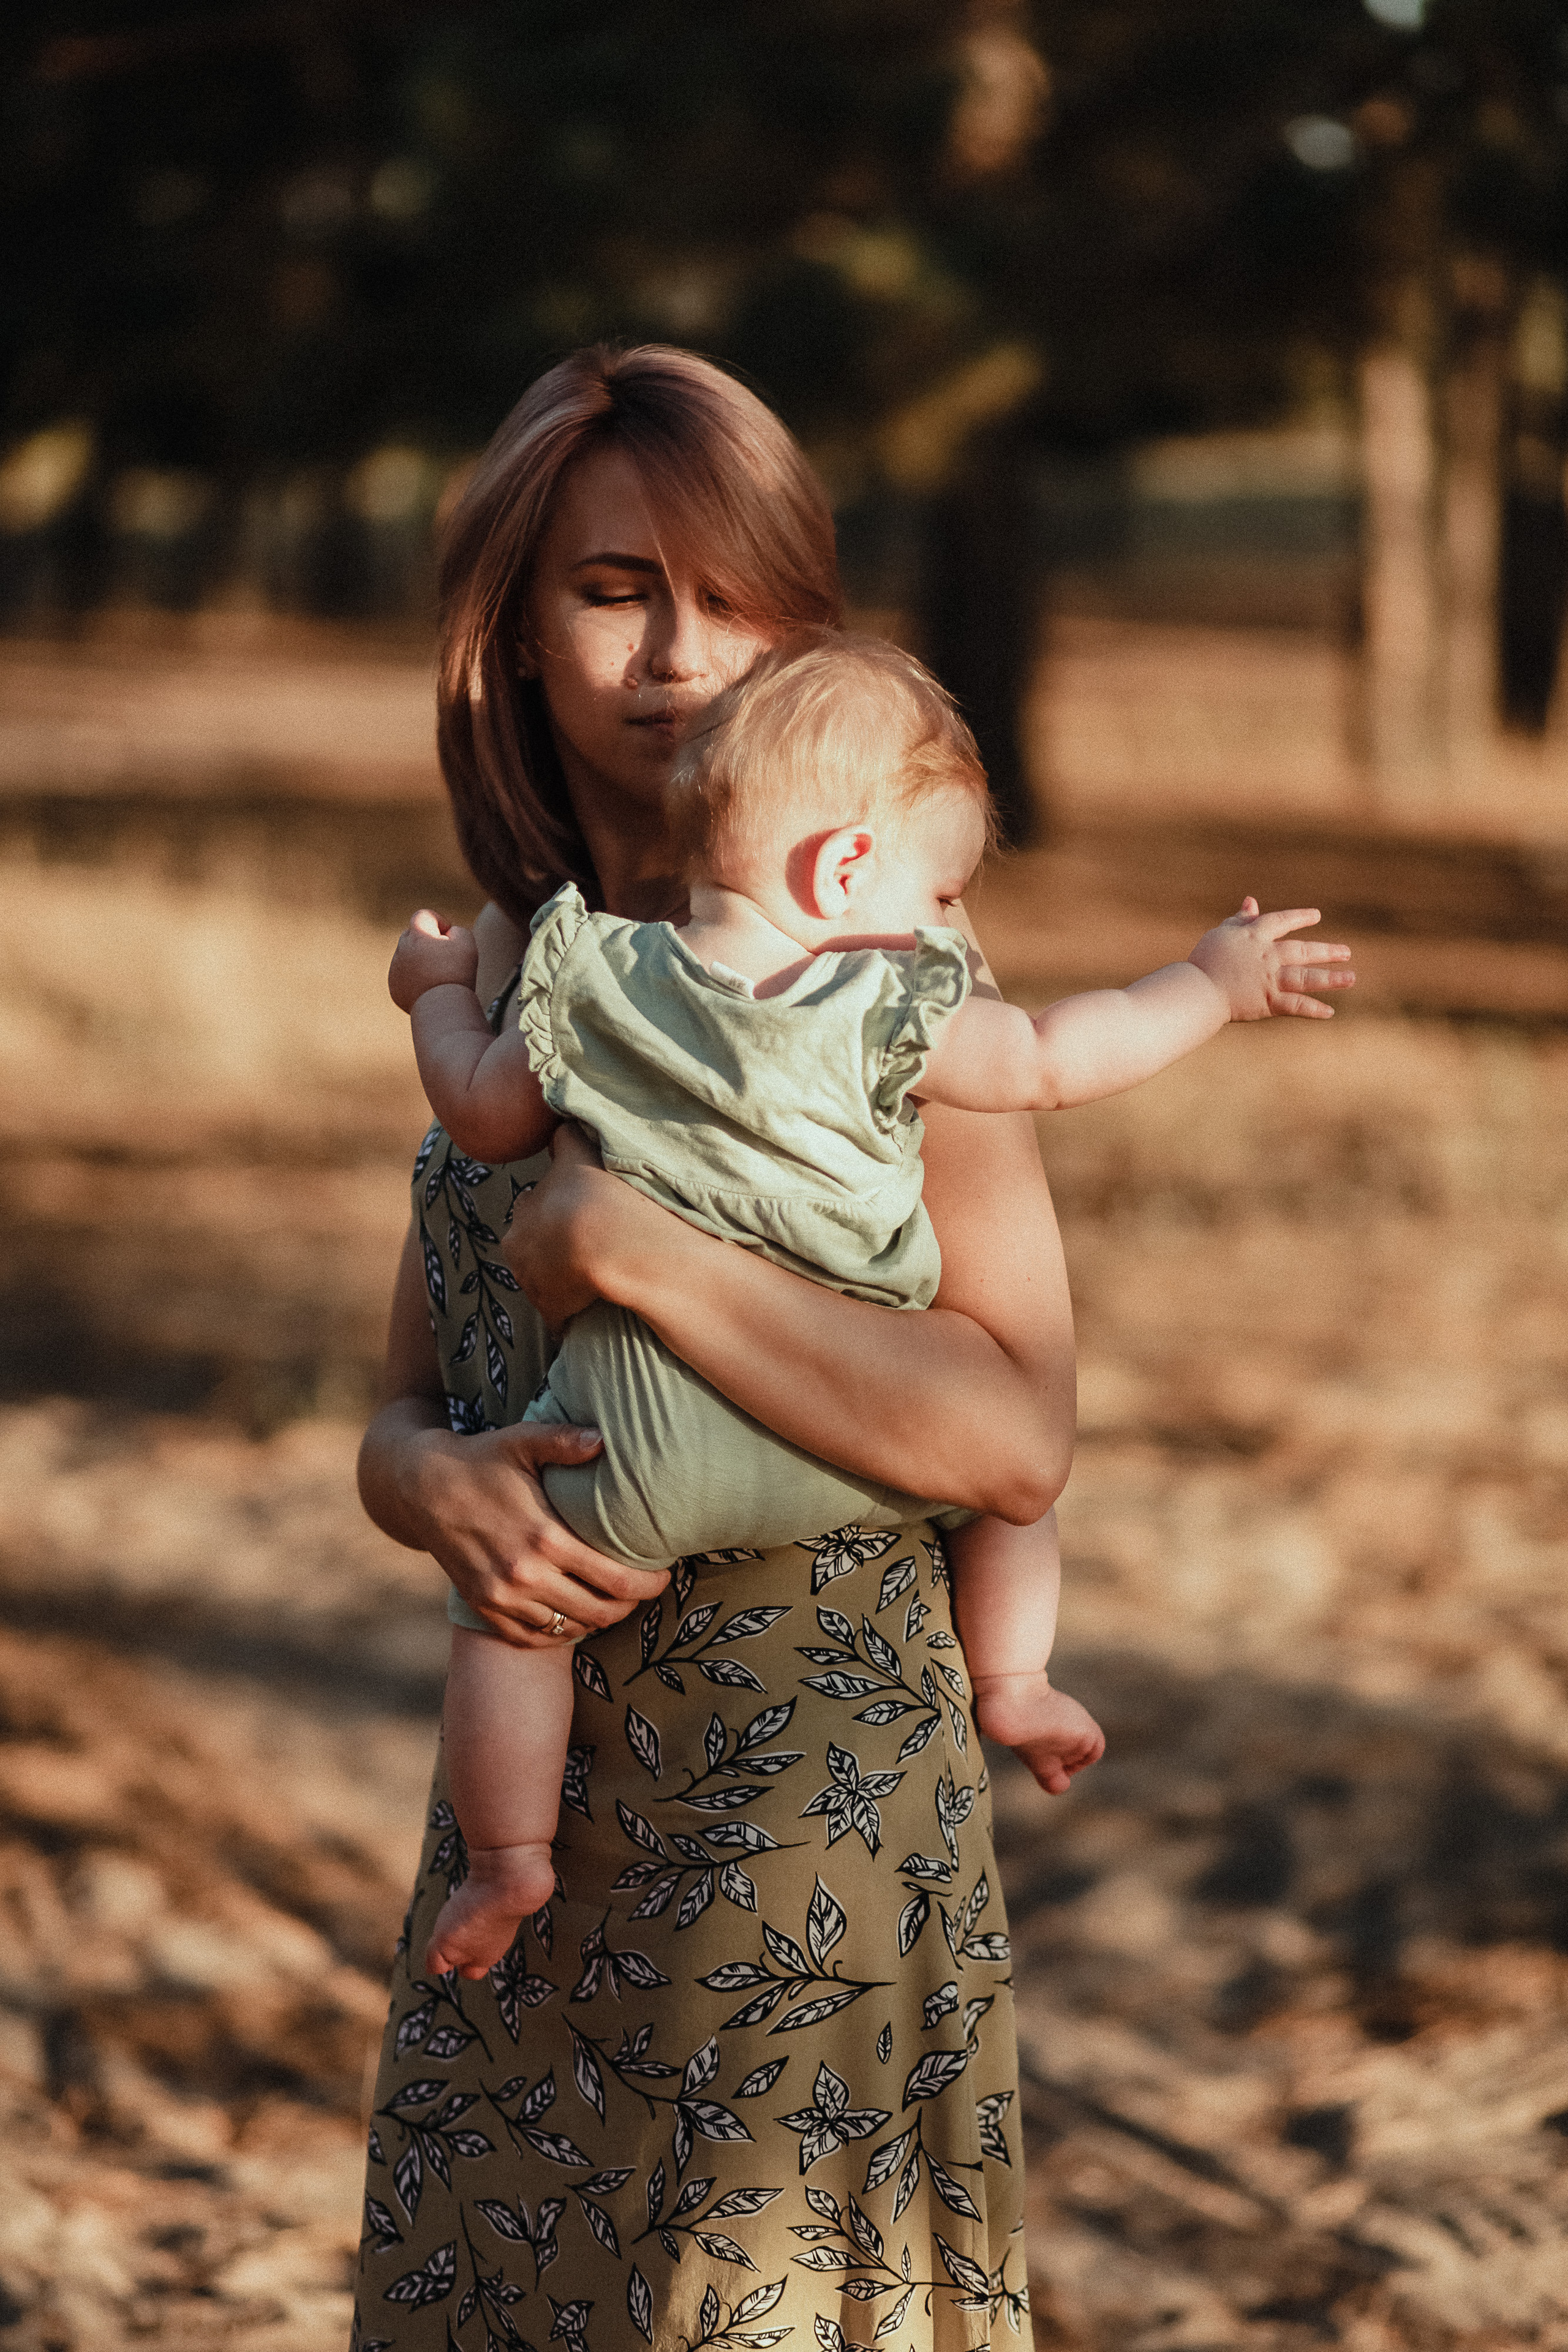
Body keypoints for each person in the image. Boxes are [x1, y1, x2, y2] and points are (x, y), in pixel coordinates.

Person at [355, 342, 1074, 2352]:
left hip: (805, 1824)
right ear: (511, 627)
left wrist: (642, 1253)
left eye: (736, 590)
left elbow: (1015, 1441)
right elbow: (410, 1398)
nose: (684, 647)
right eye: (612, 587)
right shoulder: (504, 973)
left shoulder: (894, 983)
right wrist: (433, 1488)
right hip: (522, 1836)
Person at [387, 631, 1352, 1984]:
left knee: (511, 1623)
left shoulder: (589, 972)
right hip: (859, 1459)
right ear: (845, 870)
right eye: (945, 892)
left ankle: (506, 1860)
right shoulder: (886, 998)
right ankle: (1014, 1677)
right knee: (1011, 1508)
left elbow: (482, 1112)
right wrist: (1210, 983)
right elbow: (1053, 1061)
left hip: (625, 1463)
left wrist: (436, 1002)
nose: (953, 926)